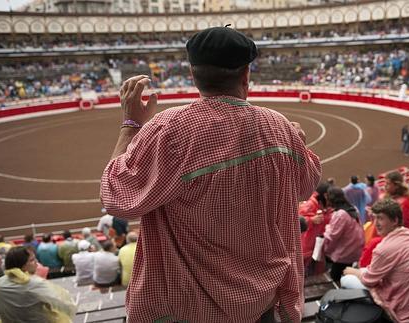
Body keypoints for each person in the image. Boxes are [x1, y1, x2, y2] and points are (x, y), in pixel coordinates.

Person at [100, 26, 321, 322]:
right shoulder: (279, 126)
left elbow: (116, 197)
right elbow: (306, 185)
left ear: (193, 75)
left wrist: (130, 123)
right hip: (261, 305)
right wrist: (298, 145)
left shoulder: (168, 129)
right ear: (246, 75)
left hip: (189, 310)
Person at [341, 199, 409, 322]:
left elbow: (368, 280)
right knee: (364, 271)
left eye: (381, 218)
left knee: (346, 278)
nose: (376, 223)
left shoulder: (384, 248)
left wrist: (354, 272)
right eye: (375, 218)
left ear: (395, 221)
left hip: (408, 309)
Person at [0, 246, 77, 322]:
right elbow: (66, 305)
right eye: (32, 260)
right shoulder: (34, 283)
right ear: (23, 266)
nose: (36, 262)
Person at [323, 186, 364, 282]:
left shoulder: (340, 214)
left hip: (345, 253)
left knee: (335, 279)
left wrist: (327, 228)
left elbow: (332, 235)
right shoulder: (353, 208)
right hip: (355, 250)